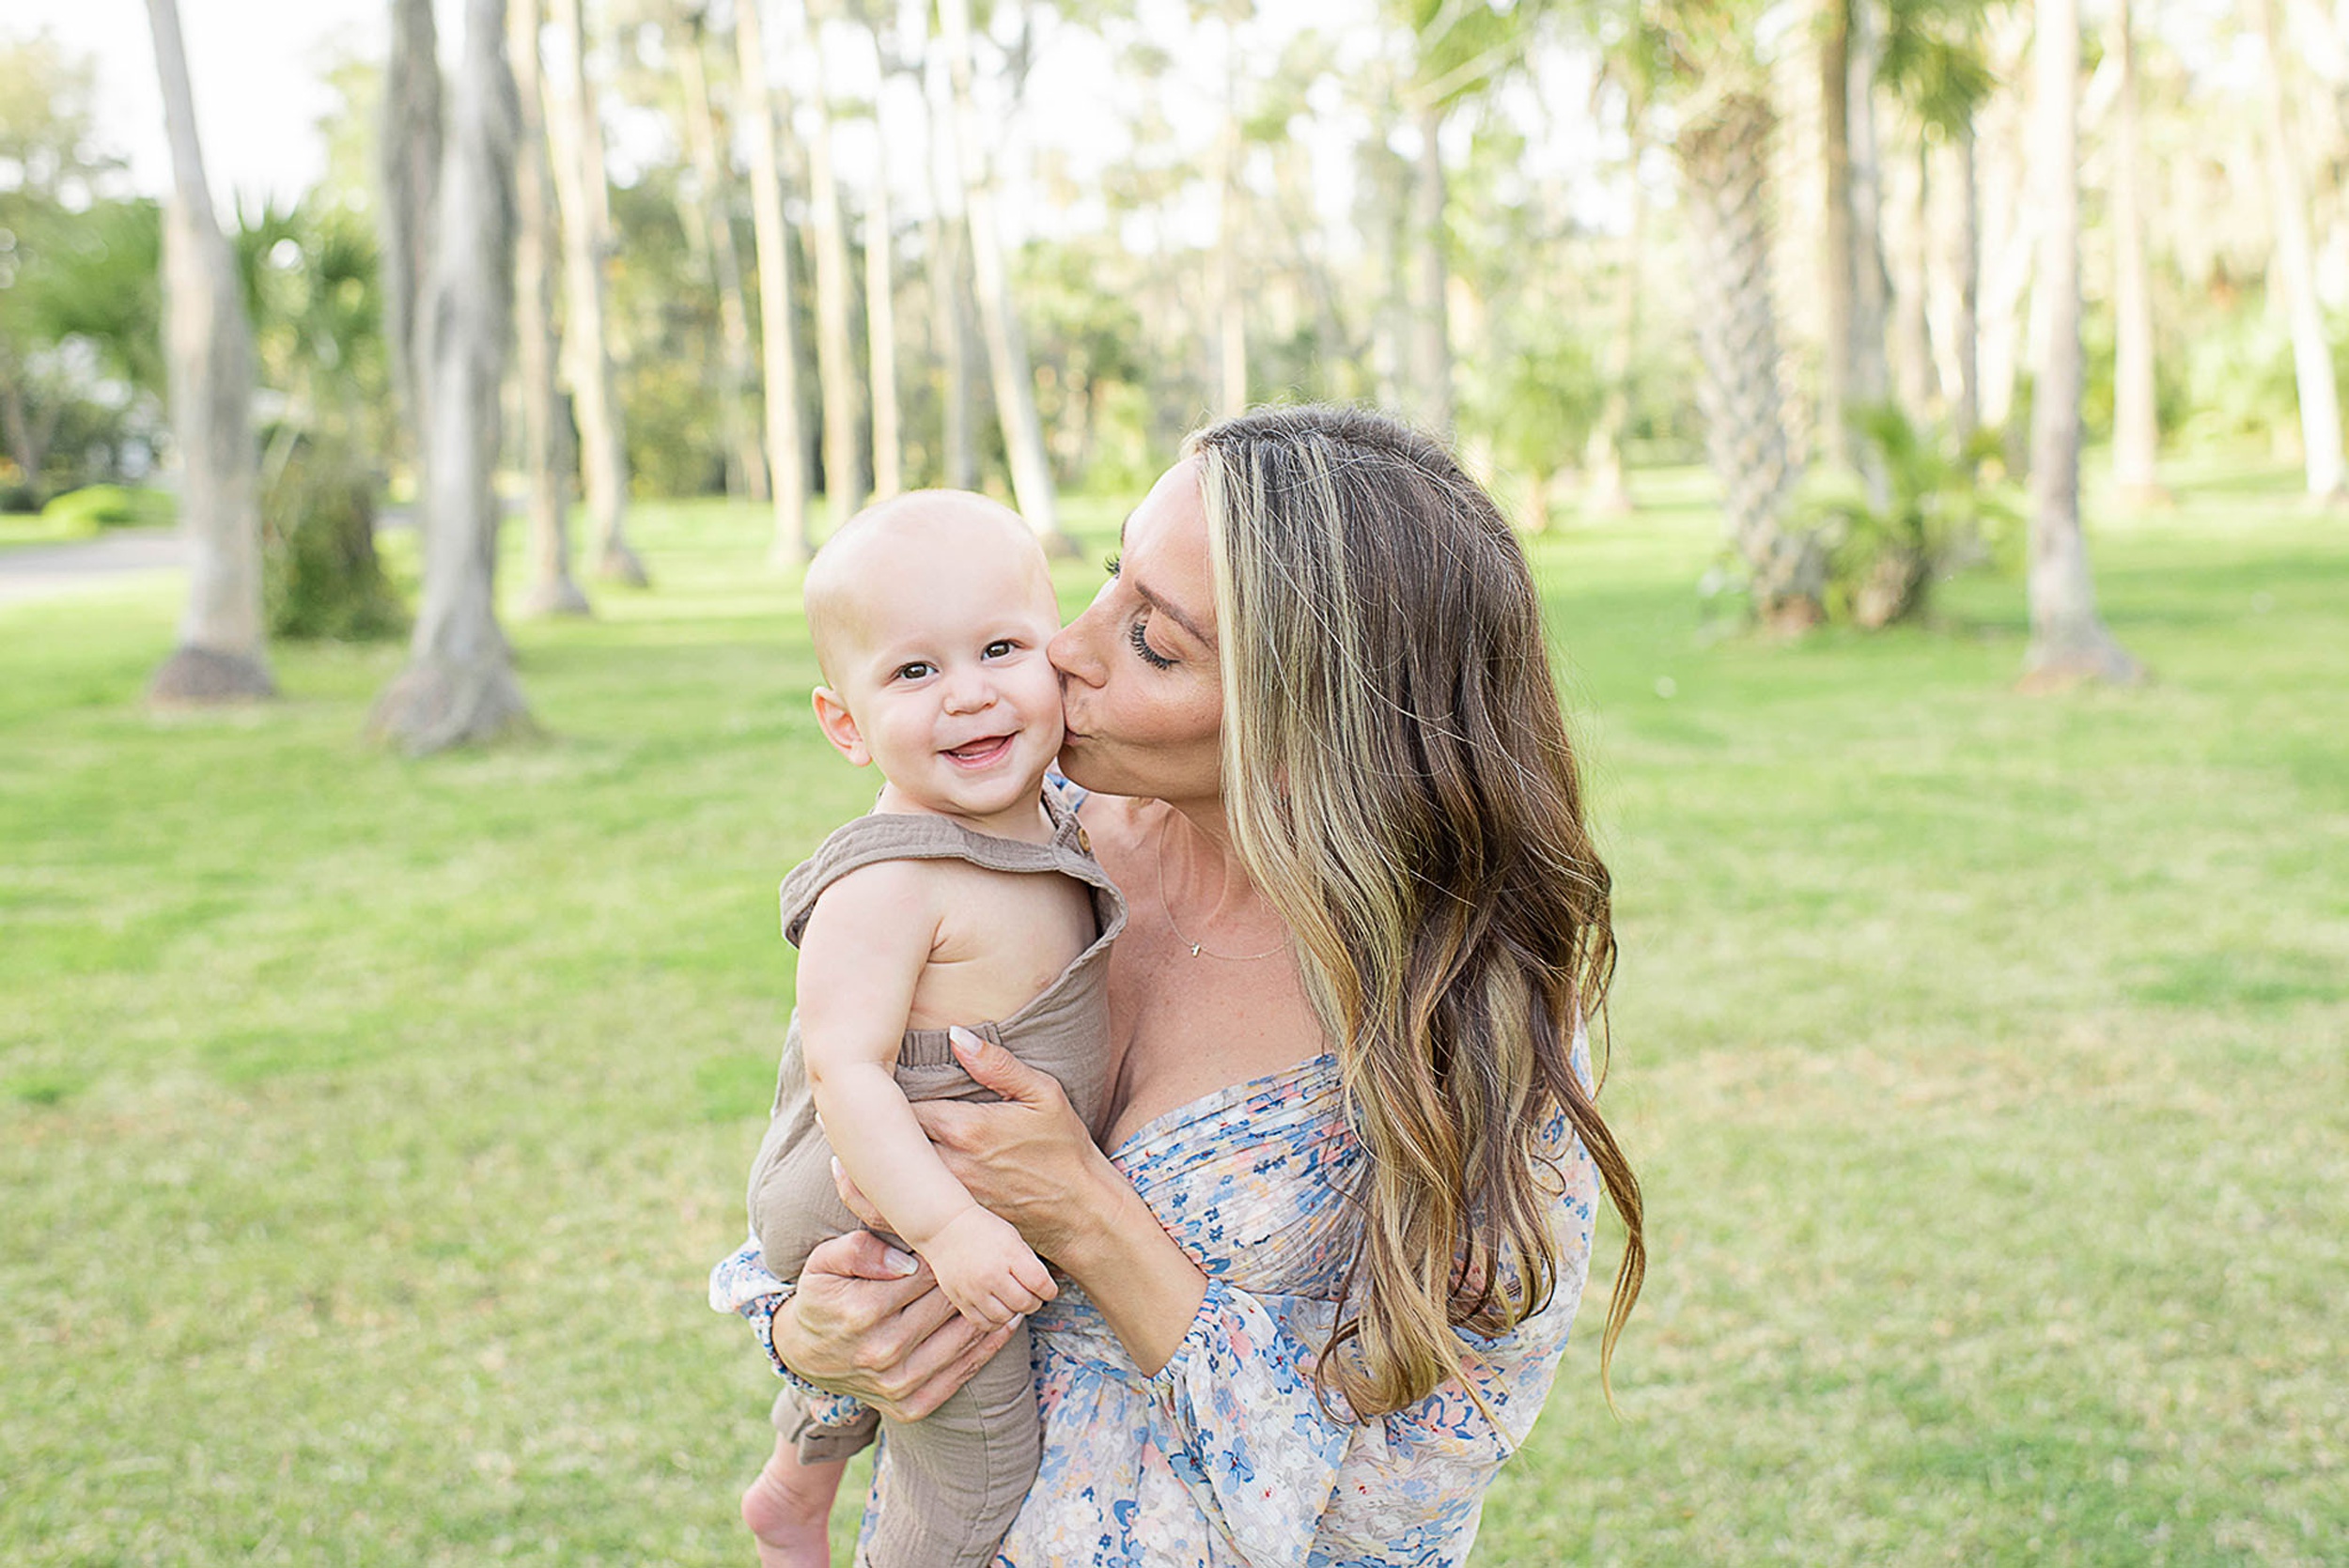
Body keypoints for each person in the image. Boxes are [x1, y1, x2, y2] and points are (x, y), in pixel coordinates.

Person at [713, 405, 1645, 1566]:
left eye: (1153, 642)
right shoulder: (1012, 841)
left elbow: (1391, 1512)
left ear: (1312, 714)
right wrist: (814, 1336)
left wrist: (1092, 1220)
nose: (1065, 648)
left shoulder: (1469, 1014)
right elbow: (812, 1165)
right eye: (1109, 580)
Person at [737, 489, 1128, 1568]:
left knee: (882, 1345)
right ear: (845, 723)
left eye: (1000, 647)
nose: (968, 695)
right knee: (978, 1453)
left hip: (919, 1171)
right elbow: (843, 1073)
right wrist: (951, 1230)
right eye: (915, 671)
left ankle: (795, 1481)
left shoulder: (1049, 811)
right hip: (881, 1176)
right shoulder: (893, 877)